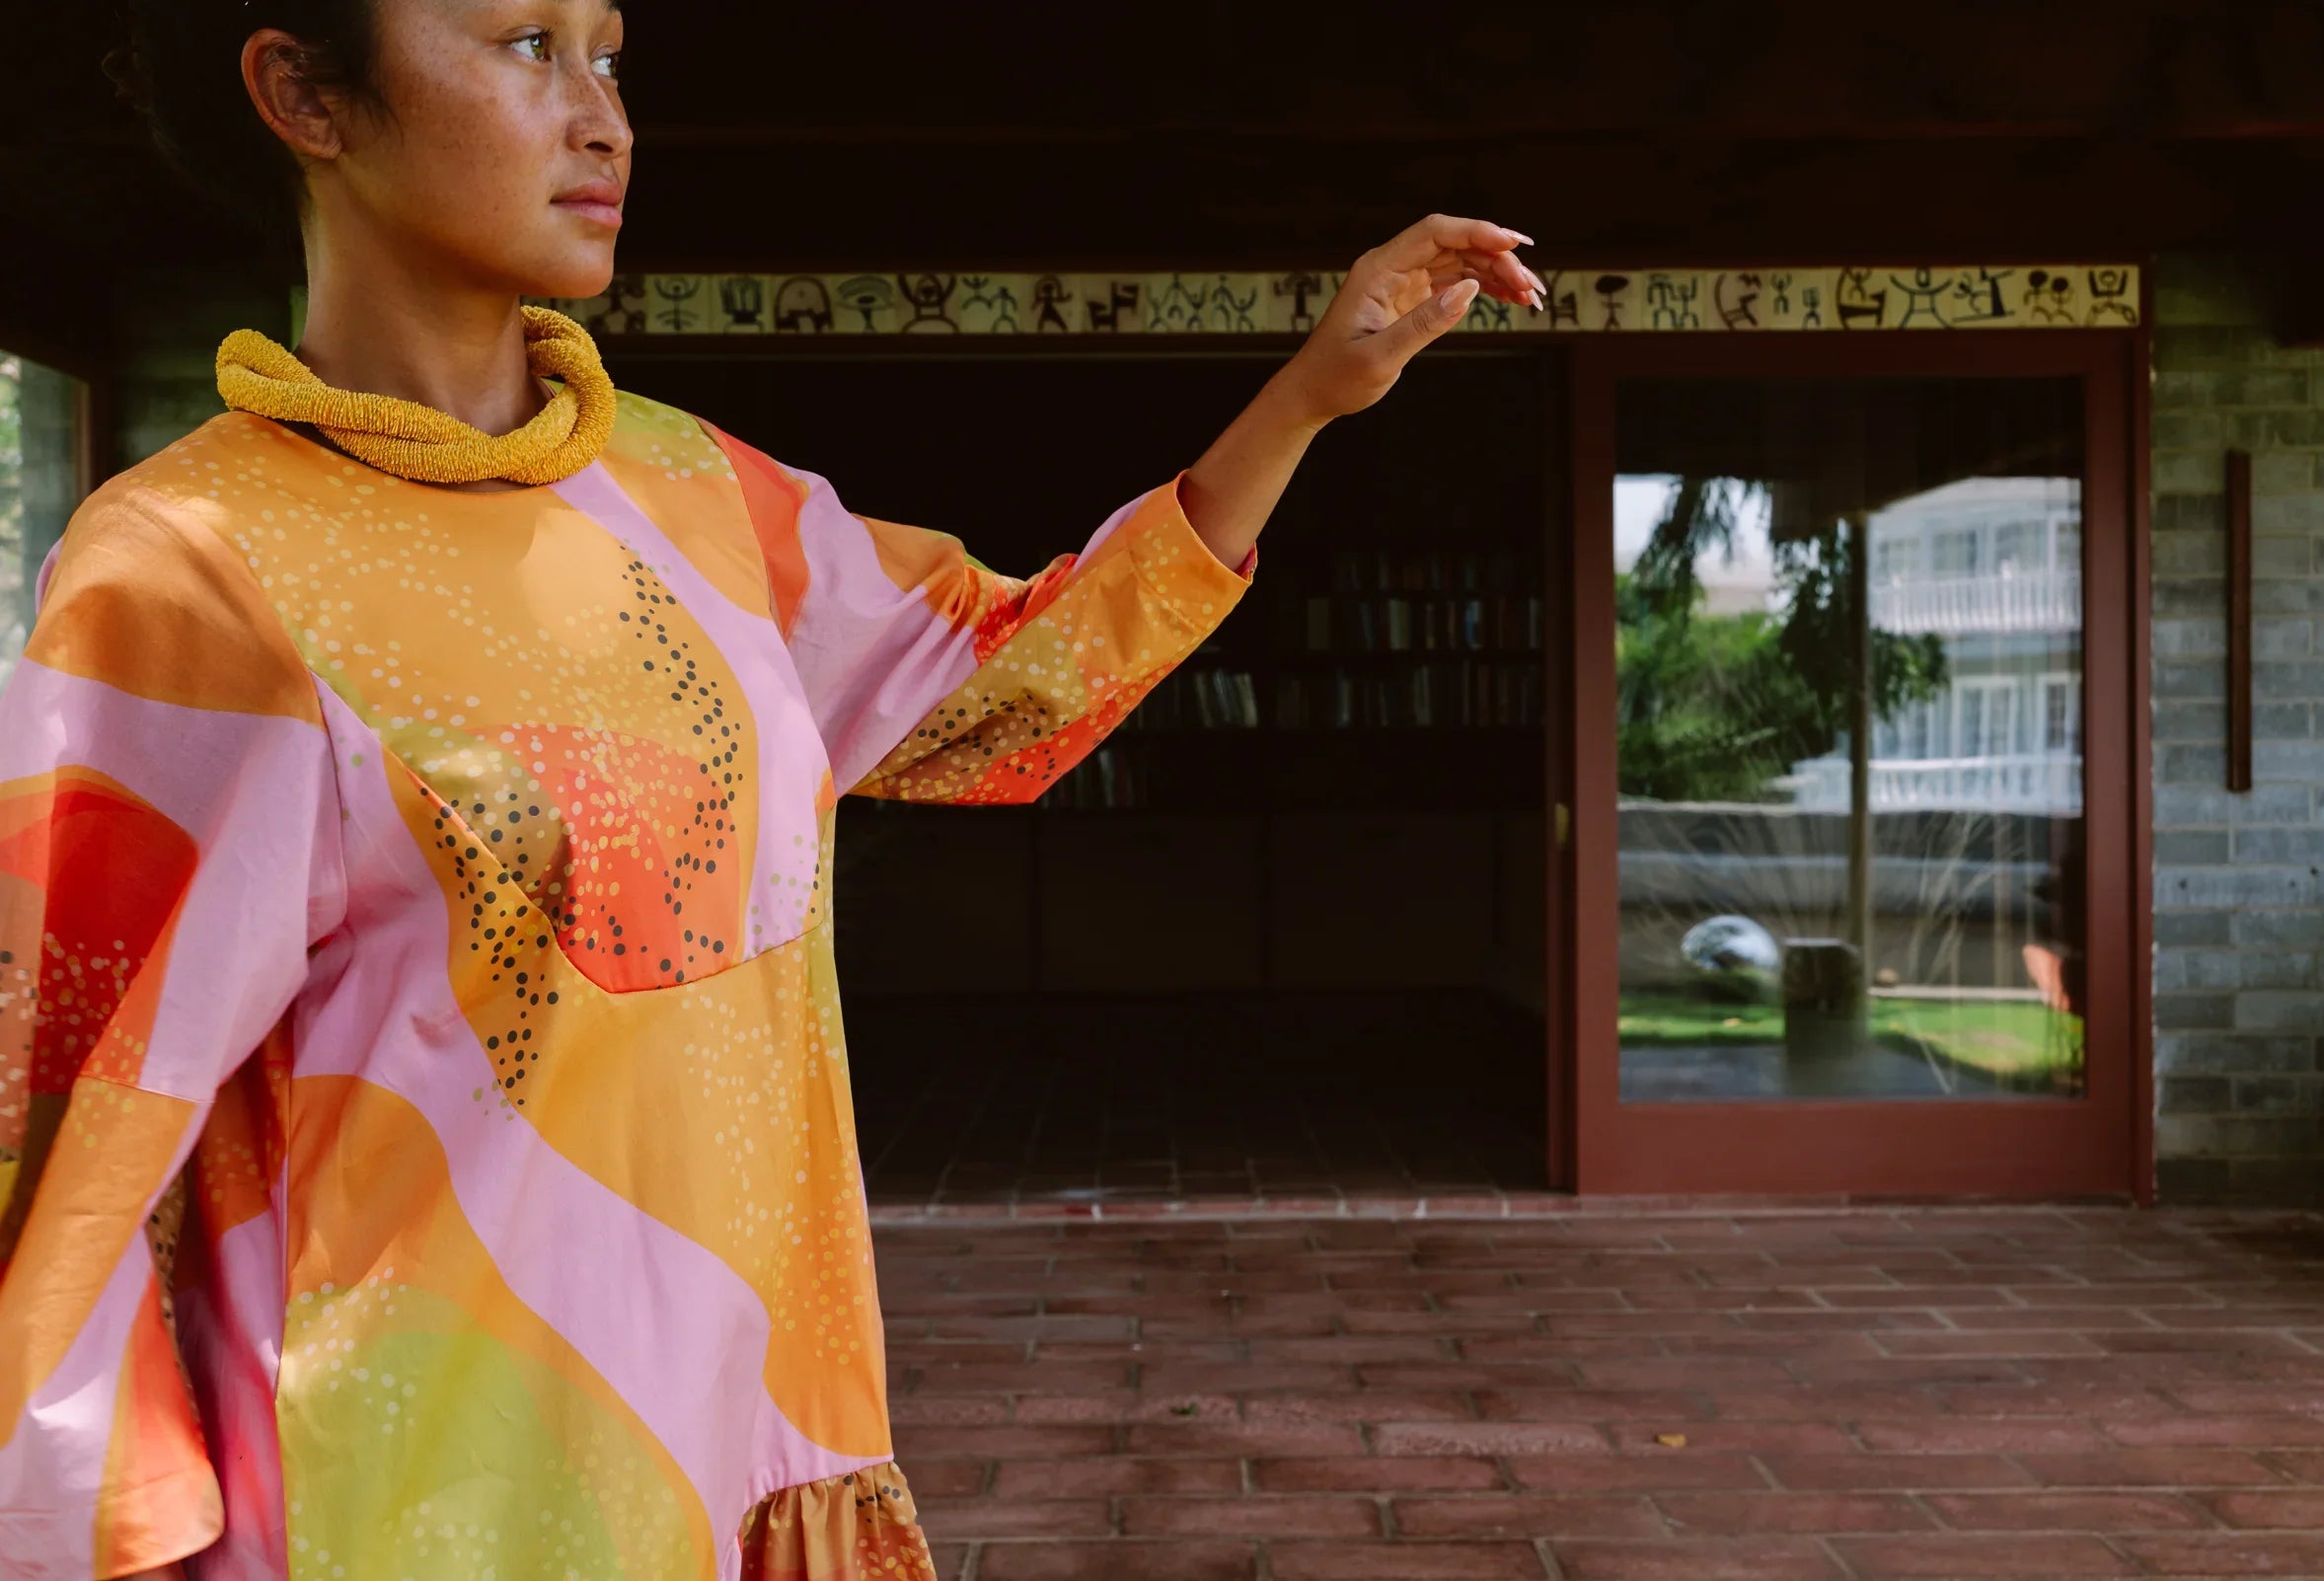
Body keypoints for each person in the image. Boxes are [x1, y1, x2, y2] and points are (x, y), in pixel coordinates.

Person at [0, 3, 1542, 1577]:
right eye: (526, 41)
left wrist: (1304, 401)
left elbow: (1008, 693)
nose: (601, 116)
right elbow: (61, 1150)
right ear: (304, 95)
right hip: (410, 1502)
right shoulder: (188, 569)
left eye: (610, 53)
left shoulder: (695, 494)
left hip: (746, 1462)